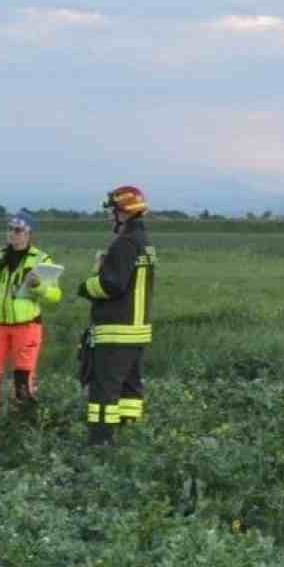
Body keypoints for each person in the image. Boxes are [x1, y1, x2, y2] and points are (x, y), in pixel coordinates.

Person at [77, 186, 156, 446]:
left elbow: (112, 285)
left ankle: (100, 444)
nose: (110, 215)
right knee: (130, 391)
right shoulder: (145, 243)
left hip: (115, 332)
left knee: (104, 393)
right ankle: (130, 437)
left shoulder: (124, 244)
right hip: (137, 333)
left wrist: (87, 285)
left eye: (112, 210)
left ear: (124, 212)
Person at [0, 209, 61, 422]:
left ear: (28, 233)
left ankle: (24, 422)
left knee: (22, 377)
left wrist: (38, 287)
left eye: (18, 230)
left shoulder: (41, 259)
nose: (12, 234)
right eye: (9, 229)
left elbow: (55, 295)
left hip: (27, 327)